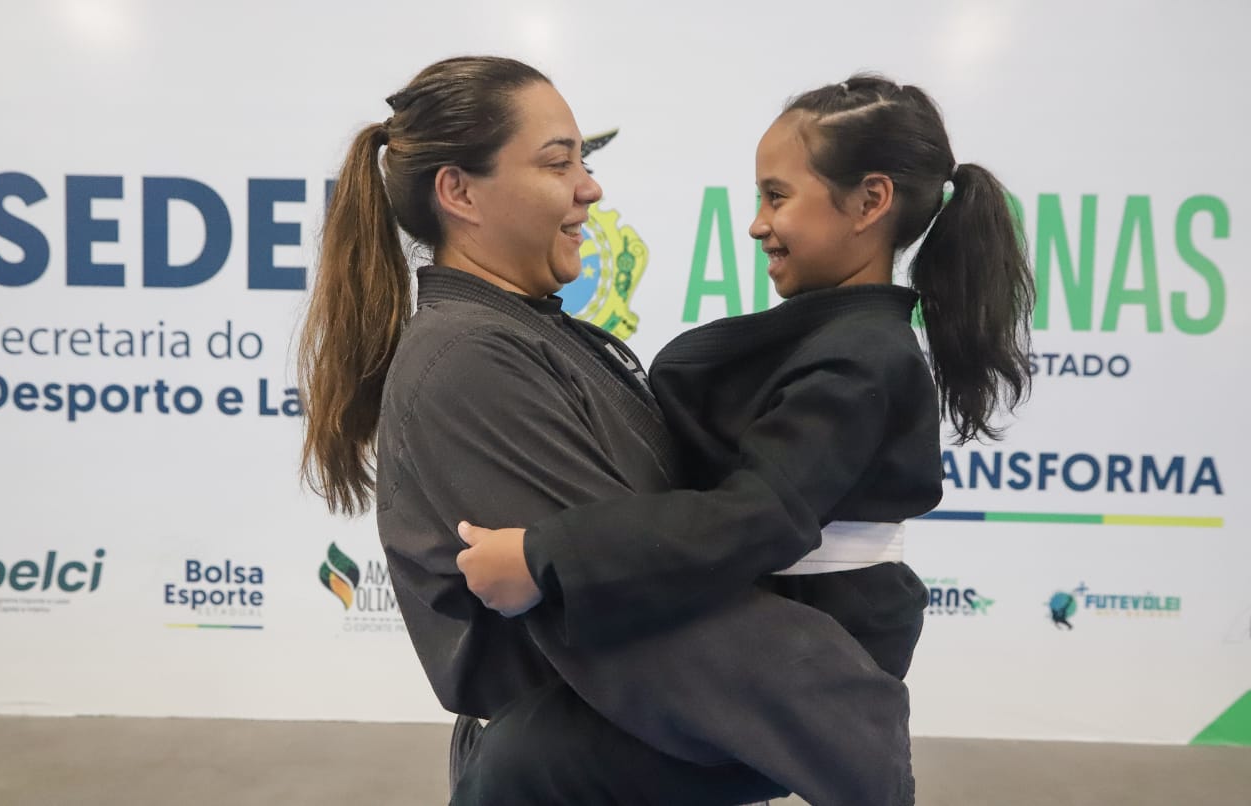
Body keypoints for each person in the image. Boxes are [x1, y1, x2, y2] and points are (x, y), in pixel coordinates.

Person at [299, 57, 917, 806]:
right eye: (559, 163)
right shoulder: (469, 361)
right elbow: (644, 611)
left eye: (584, 163)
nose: (589, 187)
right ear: (459, 191)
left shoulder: (529, 334)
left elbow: (653, 562)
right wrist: (843, 715)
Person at [456, 72, 1034, 794]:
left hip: (809, 651)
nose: (758, 223)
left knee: (522, 763)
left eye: (777, 197)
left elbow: (756, 516)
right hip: (777, 628)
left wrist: (544, 556)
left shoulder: (864, 360)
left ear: (870, 201)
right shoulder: (838, 342)